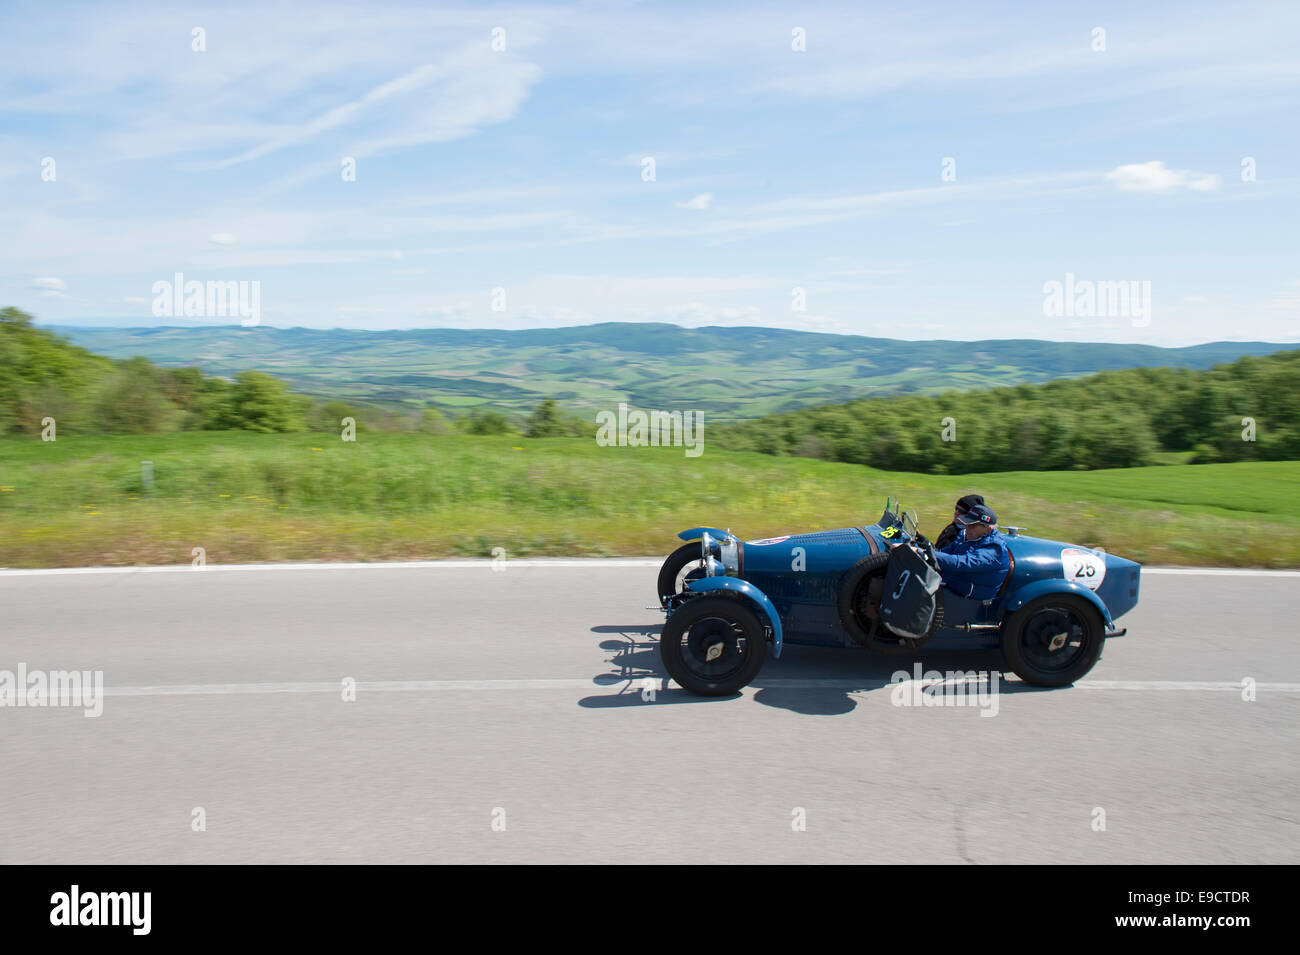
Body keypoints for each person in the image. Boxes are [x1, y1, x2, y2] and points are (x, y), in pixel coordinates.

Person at [932, 501, 1010, 600]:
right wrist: (924, 550)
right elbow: (945, 552)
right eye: (966, 523)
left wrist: (929, 554)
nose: (967, 527)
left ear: (988, 529)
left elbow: (963, 562)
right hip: (951, 584)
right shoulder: (966, 536)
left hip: (968, 598)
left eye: (972, 525)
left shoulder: (994, 549)